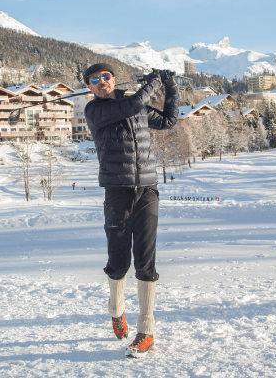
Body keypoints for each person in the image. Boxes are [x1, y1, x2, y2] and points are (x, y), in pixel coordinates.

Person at [83, 62, 178, 358]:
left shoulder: (134, 106)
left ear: (113, 79)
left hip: (147, 188)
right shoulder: (95, 111)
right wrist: (153, 83)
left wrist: (171, 87)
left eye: (106, 76)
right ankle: (116, 309)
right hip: (117, 191)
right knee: (118, 257)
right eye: (95, 79)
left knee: (146, 260)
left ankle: (146, 330)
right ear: (90, 87)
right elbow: (136, 101)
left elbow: (168, 121)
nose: (101, 81)